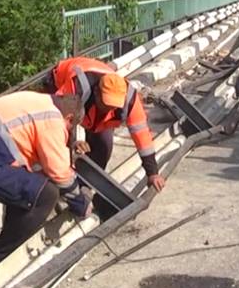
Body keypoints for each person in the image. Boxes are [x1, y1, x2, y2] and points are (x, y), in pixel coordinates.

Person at [0, 91, 90, 266]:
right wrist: (81, 204)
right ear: (69, 117)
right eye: (69, 127)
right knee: (46, 195)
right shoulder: (52, 119)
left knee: (30, 187)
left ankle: (6, 242)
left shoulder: (40, 102)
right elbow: (59, 173)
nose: (67, 132)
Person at [48, 57, 166, 191]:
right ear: (97, 93)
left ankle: (85, 188)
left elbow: (142, 136)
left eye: (114, 106)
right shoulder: (77, 88)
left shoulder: (130, 100)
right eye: (106, 104)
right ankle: (57, 187)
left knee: (103, 147)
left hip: (87, 102)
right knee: (55, 147)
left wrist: (153, 173)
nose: (109, 109)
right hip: (59, 81)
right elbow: (56, 123)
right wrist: (73, 141)